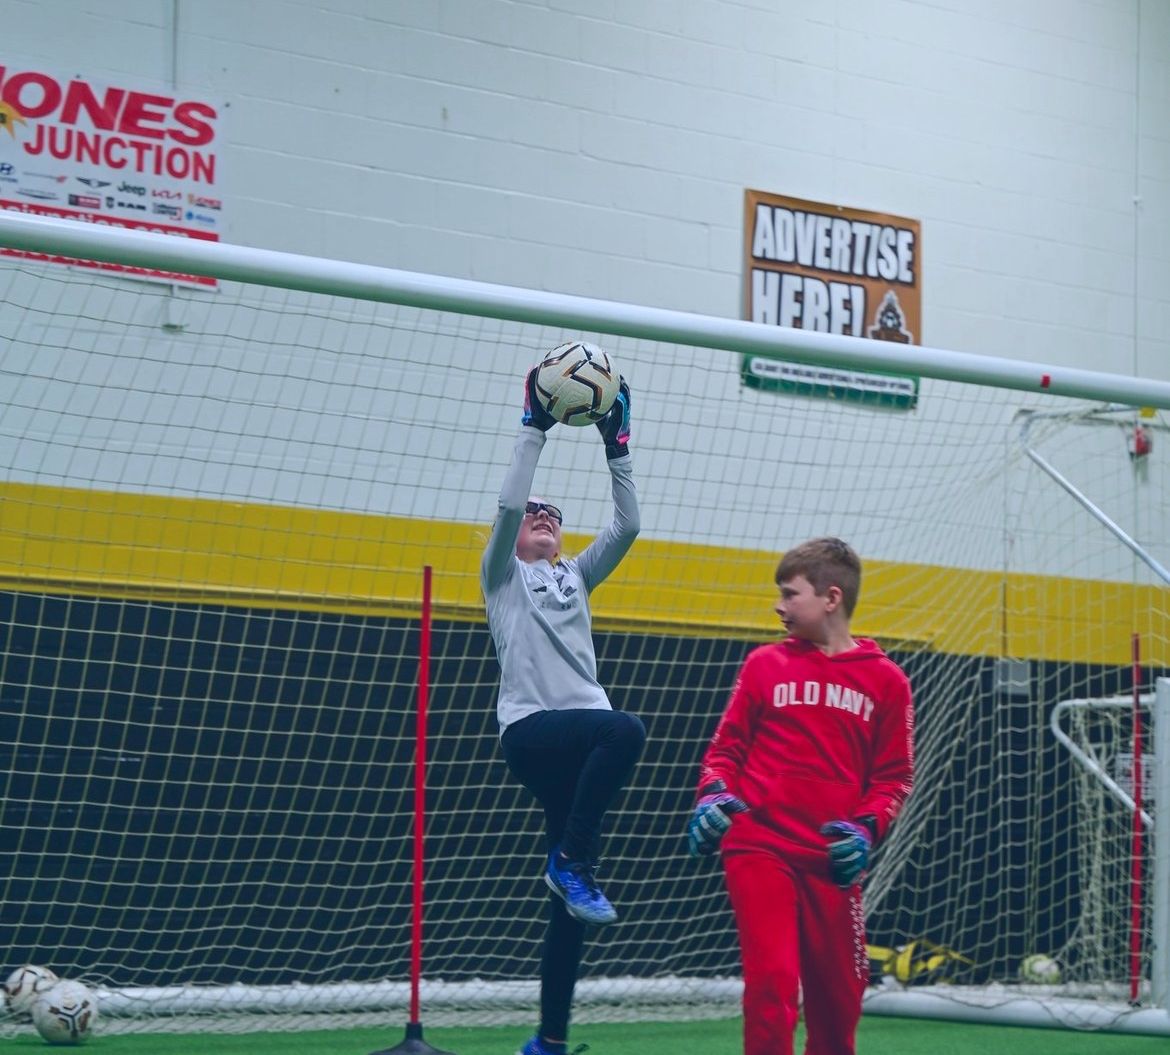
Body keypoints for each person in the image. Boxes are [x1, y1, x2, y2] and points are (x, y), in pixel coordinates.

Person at [686, 537, 914, 1055]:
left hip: (833, 861)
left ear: (831, 598)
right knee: (773, 985)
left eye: (790, 594)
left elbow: (894, 778)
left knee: (841, 997)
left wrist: (865, 827)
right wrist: (711, 796)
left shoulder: (888, 682)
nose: (779, 605)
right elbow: (725, 753)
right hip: (758, 847)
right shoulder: (764, 665)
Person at [481, 363, 646, 1055]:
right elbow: (509, 506)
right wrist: (533, 430)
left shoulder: (576, 575)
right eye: (535, 516)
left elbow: (629, 524)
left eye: (555, 515)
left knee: (567, 913)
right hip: (531, 730)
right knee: (626, 727)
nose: (543, 519)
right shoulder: (502, 577)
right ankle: (571, 858)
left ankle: (548, 1039)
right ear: (518, 536)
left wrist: (619, 445)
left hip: (576, 744)